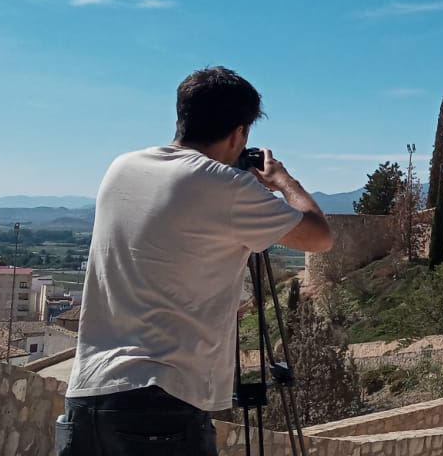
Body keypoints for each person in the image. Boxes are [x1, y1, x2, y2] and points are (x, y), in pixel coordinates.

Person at [62, 66, 333, 455]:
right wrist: (281, 180)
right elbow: (319, 237)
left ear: (180, 118)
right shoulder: (228, 188)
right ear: (240, 133)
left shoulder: (121, 167)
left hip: (88, 398)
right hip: (163, 405)